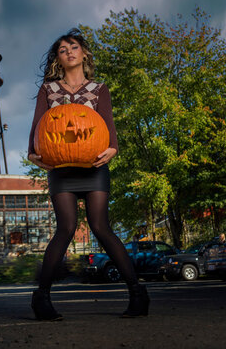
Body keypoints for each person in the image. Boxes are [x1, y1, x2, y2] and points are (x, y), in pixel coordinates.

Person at [27, 28, 149, 320]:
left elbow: (107, 124)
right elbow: (38, 129)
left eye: (73, 47)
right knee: (66, 229)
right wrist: (33, 153)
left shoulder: (98, 89)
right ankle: (41, 299)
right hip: (61, 167)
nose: (68, 52)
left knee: (100, 226)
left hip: (94, 165)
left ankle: (137, 294)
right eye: (62, 50)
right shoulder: (49, 89)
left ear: (83, 53)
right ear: (58, 59)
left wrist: (113, 148)